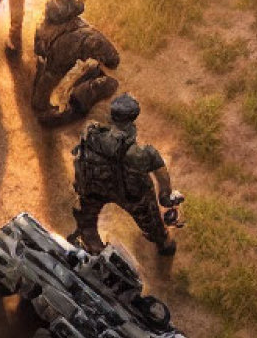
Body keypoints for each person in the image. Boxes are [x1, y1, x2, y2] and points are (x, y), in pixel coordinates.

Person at [68, 94, 183, 256]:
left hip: (94, 188)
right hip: (131, 197)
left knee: (87, 221)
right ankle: (163, 244)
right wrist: (166, 198)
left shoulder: (91, 133)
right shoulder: (145, 154)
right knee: (151, 221)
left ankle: (88, 240)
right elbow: (163, 184)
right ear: (132, 119)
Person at [32, 0, 119, 126]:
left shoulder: (41, 25)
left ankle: (45, 105)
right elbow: (113, 60)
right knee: (110, 83)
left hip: (42, 92)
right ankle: (69, 111)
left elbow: (38, 51)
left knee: (47, 70)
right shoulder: (87, 36)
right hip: (61, 89)